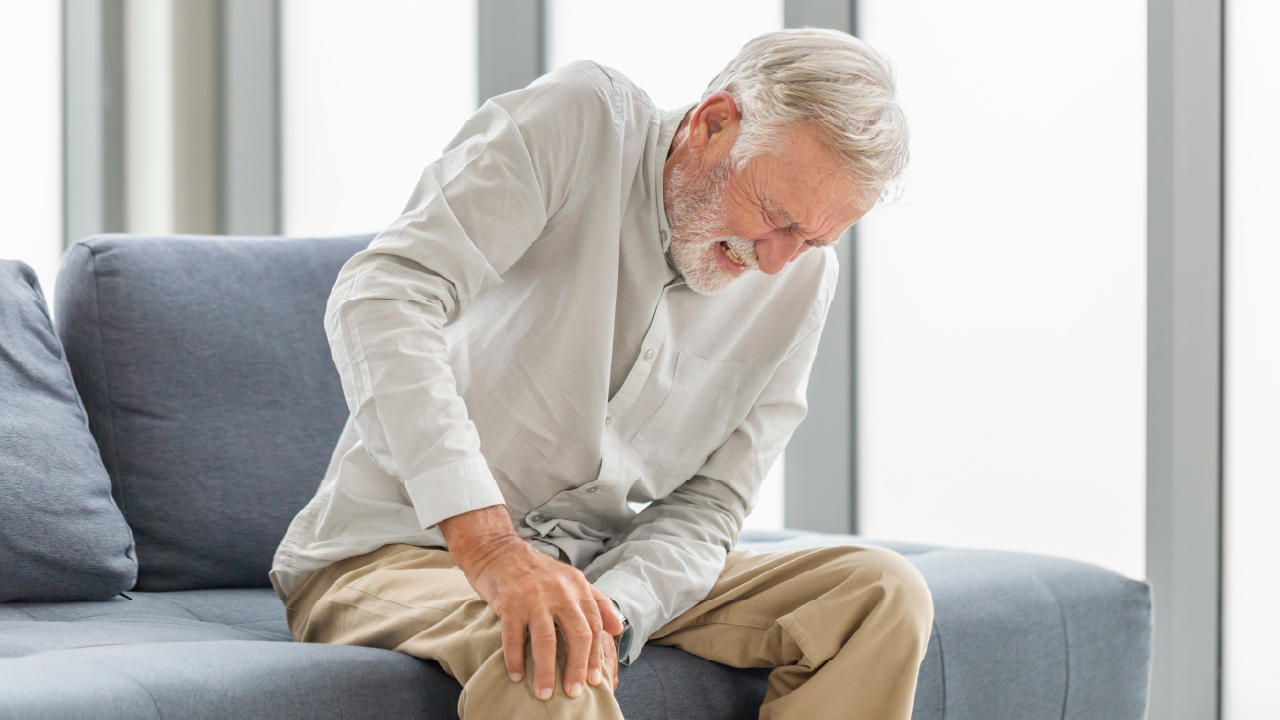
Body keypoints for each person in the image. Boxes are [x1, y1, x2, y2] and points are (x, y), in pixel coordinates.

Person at [272, 27, 932, 720]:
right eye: (773, 215)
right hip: (394, 552)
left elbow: (710, 506)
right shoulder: (580, 121)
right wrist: (494, 549)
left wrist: (614, 610)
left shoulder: (801, 279)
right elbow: (382, 296)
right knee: (549, 648)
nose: (776, 261)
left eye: (814, 238)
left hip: (597, 563)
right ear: (713, 123)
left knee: (880, 595)